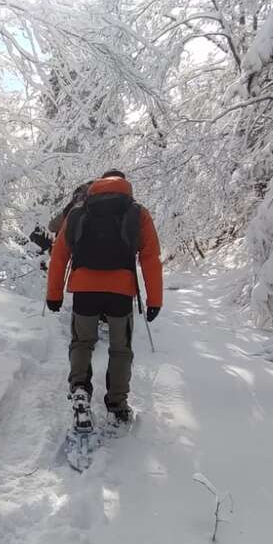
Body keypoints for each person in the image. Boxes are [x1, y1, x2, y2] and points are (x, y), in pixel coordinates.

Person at [44, 172, 162, 423]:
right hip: (121, 291)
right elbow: (151, 258)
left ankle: (79, 390)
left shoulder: (79, 210)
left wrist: (53, 294)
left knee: (82, 342)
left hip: (84, 289)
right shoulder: (138, 213)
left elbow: (59, 255)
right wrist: (155, 300)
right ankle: (117, 404)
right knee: (121, 349)